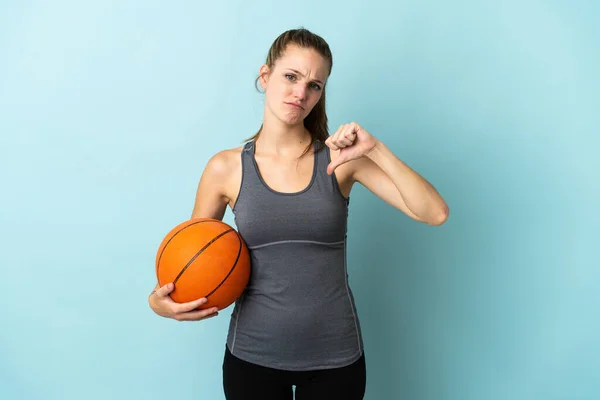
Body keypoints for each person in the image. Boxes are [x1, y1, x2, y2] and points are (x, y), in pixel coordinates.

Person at [148, 28, 449, 400]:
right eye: (291, 76)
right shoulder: (225, 169)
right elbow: (194, 261)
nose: (301, 93)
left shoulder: (339, 161)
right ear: (265, 76)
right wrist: (159, 302)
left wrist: (376, 149)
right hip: (252, 358)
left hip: (336, 360)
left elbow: (434, 212)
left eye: (315, 85)